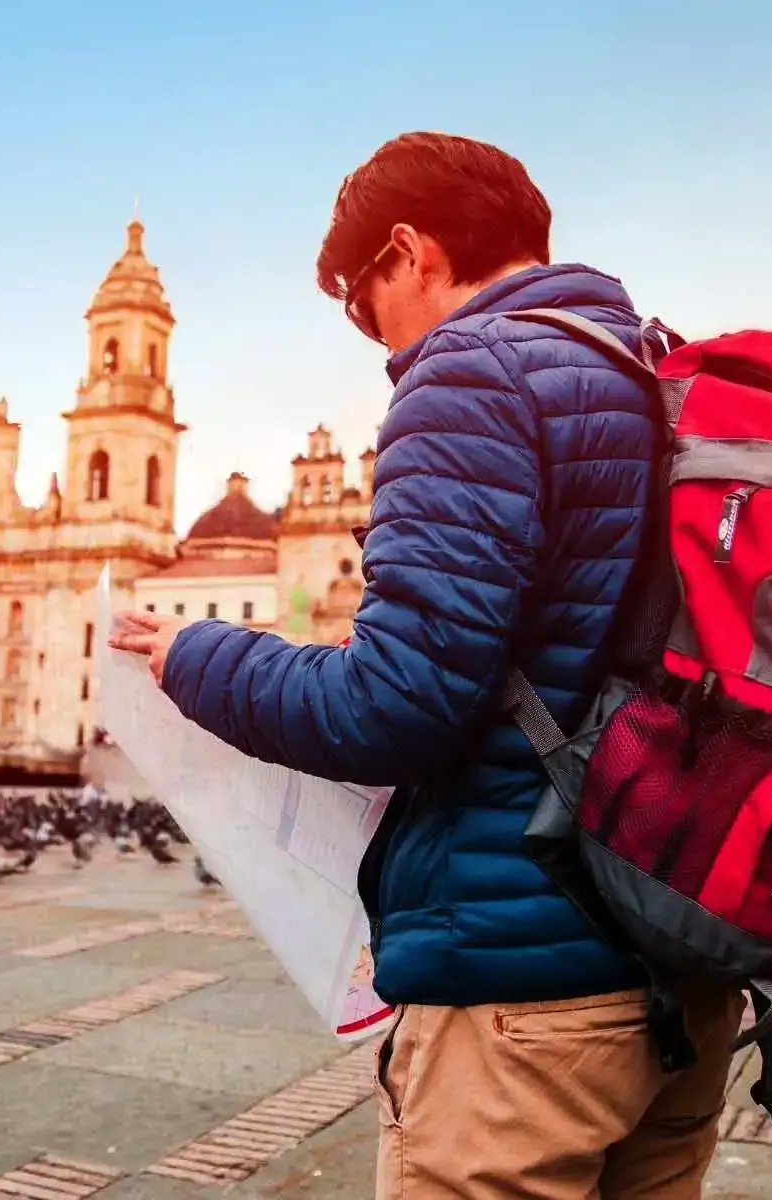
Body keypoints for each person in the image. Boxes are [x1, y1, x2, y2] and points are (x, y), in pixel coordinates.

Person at [111, 133, 738, 1199]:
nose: (372, 335)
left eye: (360, 302)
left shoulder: (470, 372)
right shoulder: (652, 366)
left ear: (409, 252)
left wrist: (195, 655)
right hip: (685, 968)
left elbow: (392, 706)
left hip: (523, 999)